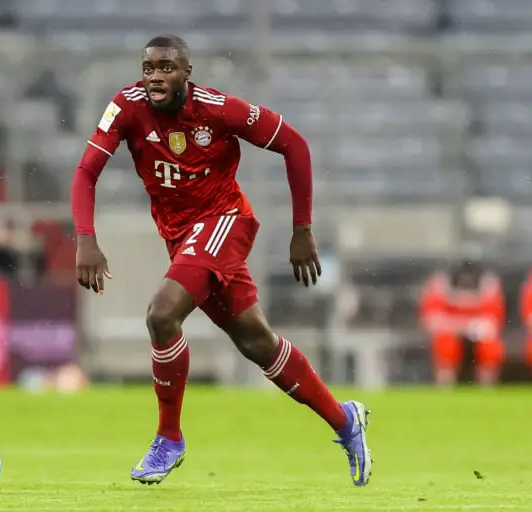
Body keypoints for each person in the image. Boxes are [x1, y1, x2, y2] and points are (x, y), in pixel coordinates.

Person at [70, 35, 372, 487]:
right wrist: (86, 239)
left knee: (161, 315)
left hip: (224, 222)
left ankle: (168, 438)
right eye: (149, 68)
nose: (155, 76)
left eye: (167, 67)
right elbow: (85, 171)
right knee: (257, 343)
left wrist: (303, 229)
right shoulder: (127, 106)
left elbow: (295, 145)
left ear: (186, 74)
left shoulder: (219, 110)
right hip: (182, 238)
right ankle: (345, 420)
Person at [419, 259, 505, 387]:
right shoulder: (439, 285)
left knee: (490, 346)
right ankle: (445, 386)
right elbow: (432, 321)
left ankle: (486, 387)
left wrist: (468, 326)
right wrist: (462, 325)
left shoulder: (488, 285)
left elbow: (492, 322)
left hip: (477, 332)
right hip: (449, 331)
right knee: (445, 344)